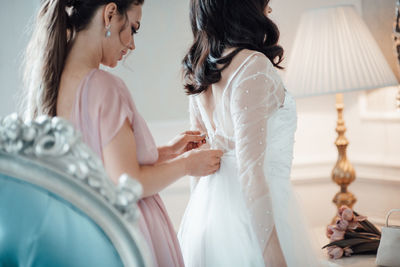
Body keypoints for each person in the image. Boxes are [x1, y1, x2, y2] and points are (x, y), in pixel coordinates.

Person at [21, 0, 223, 266]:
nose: (132, 44)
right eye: (133, 28)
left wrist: (166, 152)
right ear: (110, 13)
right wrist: (187, 165)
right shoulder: (104, 86)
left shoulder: (53, 86)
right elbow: (127, 182)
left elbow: (102, 163)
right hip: (131, 239)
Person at [178, 0, 322, 266]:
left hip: (209, 219)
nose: (269, 6)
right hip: (254, 221)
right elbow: (251, 174)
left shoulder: (203, 69)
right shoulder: (252, 65)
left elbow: (197, 167)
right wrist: (275, 261)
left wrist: (196, 222)